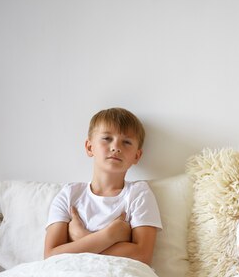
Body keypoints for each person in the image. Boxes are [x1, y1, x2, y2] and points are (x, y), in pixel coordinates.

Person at [44, 107, 162, 266]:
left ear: (137, 156)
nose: (116, 147)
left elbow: (142, 256)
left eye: (126, 142)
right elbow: (51, 256)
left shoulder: (138, 193)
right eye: (107, 138)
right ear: (89, 147)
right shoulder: (69, 194)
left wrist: (81, 237)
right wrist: (110, 235)